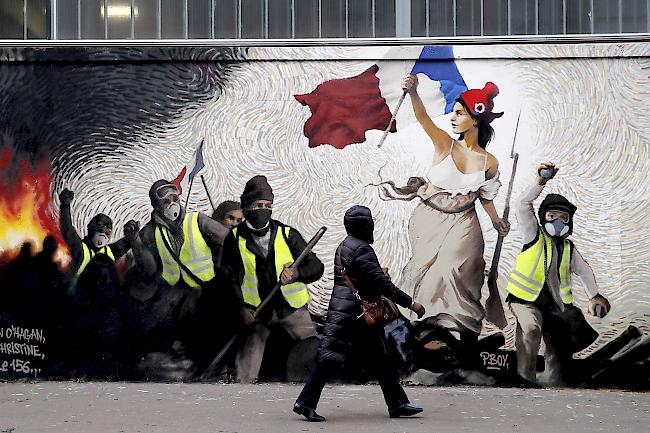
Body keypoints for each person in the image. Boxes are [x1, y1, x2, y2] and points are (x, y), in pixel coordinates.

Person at [394, 75, 510, 344]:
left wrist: (496, 221)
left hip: (465, 221)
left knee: (455, 270)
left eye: (459, 113)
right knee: (425, 272)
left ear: (476, 118)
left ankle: (459, 329)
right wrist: (413, 93)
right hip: (431, 217)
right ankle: (425, 325)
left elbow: (485, 195)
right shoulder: (445, 143)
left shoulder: (489, 161)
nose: (453, 118)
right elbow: (424, 118)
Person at [293, 205, 426, 422]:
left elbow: (360, 277)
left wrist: (376, 275)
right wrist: (411, 303)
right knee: (328, 358)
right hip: (353, 315)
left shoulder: (344, 246)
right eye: (370, 222)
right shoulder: (362, 248)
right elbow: (382, 284)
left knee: (380, 359)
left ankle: (398, 404)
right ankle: (305, 402)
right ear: (365, 225)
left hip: (349, 311)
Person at [506, 162, 611, 384]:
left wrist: (594, 295)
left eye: (563, 217)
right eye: (552, 215)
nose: (557, 221)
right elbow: (522, 204)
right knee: (531, 329)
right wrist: (540, 182)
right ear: (544, 217)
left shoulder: (569, 248)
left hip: (555, 304)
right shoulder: (533, 235)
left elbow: (584, 271)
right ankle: (525, 379)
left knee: (559, 341)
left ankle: (554, 379)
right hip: (524, 299)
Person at [131, 180, 239, 368]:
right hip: (174, 290)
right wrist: (135, 242)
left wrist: (224, 265)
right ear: (156, 205)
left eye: (175, 198)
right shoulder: (150, 231)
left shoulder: (197, 220)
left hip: (207, 287)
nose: (173, 203)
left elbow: (230, 240)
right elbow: (147, 269)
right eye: (166, 201)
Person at [232, 175, 324, 383]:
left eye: (268, 205)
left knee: (315, 356)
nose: (264, 209)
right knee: (245, 374)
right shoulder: (235, 239)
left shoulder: (288, 234)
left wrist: (297, 275)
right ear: (246, 207)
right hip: (257, 314)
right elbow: (227, 278)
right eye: (258, 205)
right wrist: (241, 308)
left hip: (292, 311)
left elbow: (316, 267)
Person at [58, 188, 139, 294]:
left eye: (107, 233)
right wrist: (65, 206)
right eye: (100, 230)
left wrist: (132, 233)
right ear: (91, 229)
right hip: (78, 297)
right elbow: (67, 228)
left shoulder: (109, 251)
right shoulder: (81, 248)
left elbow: (130, 240)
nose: (103, 235)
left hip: (100, 299)